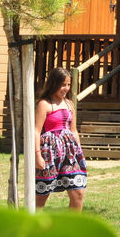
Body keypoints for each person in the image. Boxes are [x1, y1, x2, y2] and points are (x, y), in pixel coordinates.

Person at [34, 68, 87, 211]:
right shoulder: (44, 104)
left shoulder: (70, 104)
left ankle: (73, 229)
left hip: (69, 153)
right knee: (41, 194)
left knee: (78, 192)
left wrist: (79, 153)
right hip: (49, 152)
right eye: (63, 84)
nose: (66, 88)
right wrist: (37, 156)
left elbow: (73, 130)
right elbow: (36, 131)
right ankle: (32, 227)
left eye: (68, 85)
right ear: (54, 83)